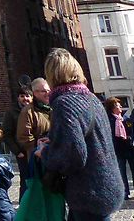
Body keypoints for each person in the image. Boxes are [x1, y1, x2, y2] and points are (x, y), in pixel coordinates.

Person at [38, 48, 123, 220]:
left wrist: (45, 153)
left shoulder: (64, 104)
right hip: (106, 184)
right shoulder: (91, 98)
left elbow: (75, 154)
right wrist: (56, 141)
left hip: (88, 191)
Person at [104, 96, 134, 200]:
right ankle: (125, 193)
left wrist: (130, 137)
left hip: (130, 148)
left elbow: (133, 130)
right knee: (121, 173)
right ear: (112, 108)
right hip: (118, 149)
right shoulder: (108, 120)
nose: (120, 107)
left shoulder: (126, 118)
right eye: (117, 105)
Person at [0, 88, 32, 198]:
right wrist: (17, 151)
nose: (25, 99)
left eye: (27, 96)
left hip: (36, 150)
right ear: (18, 98)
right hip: (22, 151)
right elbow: (7, 134)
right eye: (22, 96)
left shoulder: (36, 109)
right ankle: (24, 204)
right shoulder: (11, 112)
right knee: (25, 179)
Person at [16, 79, 51, 164]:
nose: (47, 94)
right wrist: (39, 146)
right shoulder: (28, 111)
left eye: (48, 90)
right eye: (44, 91)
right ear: (35, 93)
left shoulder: (55, 106)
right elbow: (24, 137)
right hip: (39, 157)